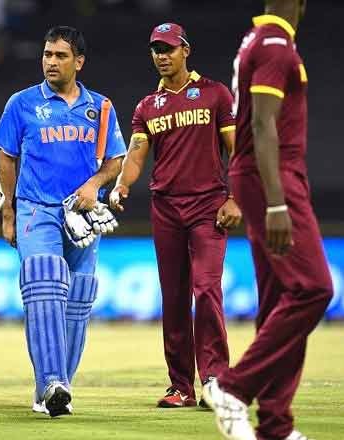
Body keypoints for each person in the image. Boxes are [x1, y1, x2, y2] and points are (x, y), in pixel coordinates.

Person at [202, 2, 333, 439]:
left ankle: (276, 423)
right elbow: (262, 125)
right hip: (272, 174)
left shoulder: (257, 40)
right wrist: (276, 203)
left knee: (281, 299)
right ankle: (234, 388)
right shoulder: (276, 44)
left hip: (261, 174)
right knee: (314, 288)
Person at [0, 25, 126, 417]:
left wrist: (95, 185)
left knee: (79, 296)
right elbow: (6, 158)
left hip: (82, 214)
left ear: (79, 62)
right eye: (47, 54)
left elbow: (115, 160)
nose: (51, 62)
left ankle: (56, 389)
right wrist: (8, 212)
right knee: (44, 284)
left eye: (61, 56)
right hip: (37, 209)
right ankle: (51, 381)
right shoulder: (22, 103)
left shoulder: (100, 106)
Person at [109, 23, 241, 409]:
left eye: (168, 48)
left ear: (185, 50)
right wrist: (121, 185)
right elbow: (136, 156)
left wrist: (235, 198)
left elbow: (237, 151)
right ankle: (180, 386)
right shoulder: (147, 106)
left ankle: (215, 379)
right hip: (166, 208)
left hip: (208, 207)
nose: (161, 56)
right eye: (156, 50)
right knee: (174, 298)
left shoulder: (215, 94)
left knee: (206, 288)